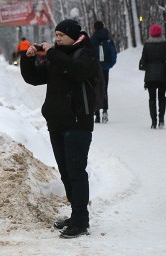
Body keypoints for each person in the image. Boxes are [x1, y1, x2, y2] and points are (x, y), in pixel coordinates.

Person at [19, 19, 100, 238]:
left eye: (61, 36)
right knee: (66, 173)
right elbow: (35, 78)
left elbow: (77, 71)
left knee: (76, 172)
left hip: (77, 124)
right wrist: (28, 59)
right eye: (55, 36)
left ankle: (81, 221)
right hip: (57, 123)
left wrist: (53, 53)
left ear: (73, 36)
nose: (57, 40)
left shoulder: (85, 53)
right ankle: (76, 214)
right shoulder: (58, 57)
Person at [140, 24, 166, 128]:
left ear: (151, 33)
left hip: (150, 74)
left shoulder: (147, 44)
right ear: (160, 33)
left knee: (152, 98)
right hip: (163, 73)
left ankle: (153, 122)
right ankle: (161, 119)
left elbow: (143, 60)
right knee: (162, 97)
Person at [90, 21, 117, 123]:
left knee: (95, 89)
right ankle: (105, 111)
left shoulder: (92, 40)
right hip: (105, 68)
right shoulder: (108, 39)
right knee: (104, 88)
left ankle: (96, 114)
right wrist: (109, 64)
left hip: (94, 69)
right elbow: (113, 53)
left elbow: (88, 54)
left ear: (94, 28)